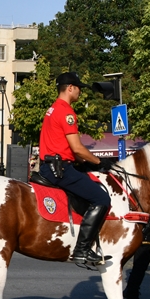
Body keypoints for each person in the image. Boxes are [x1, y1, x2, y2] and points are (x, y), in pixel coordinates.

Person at [37, 72, 113, 269]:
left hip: (50, 165)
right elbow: (77, 147)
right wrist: (99, 162)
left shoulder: (52, 109)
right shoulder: (67, 112)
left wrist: (85, 162)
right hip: (60, 169)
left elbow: (69, 149)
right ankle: (82, 250)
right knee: (102, 198)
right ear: (70, 88)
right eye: (79, 88)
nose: (80, 92)